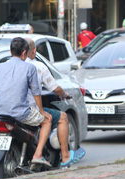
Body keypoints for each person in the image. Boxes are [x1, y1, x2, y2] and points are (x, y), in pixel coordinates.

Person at [0, 37, 53, 166]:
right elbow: (36, 92)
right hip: (20, 115)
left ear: (10, 51)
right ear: (24, 53)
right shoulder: (29, 68)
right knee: (47, 121)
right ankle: (38, 154)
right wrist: (41, 111)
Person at [25, 38, 85, 168]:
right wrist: (64, 95)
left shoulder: (7, 65)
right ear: (34, 51)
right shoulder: (38, 66)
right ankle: (65, 156)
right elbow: (54, 88)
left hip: (5, 110)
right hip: (28, 110)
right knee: (59, 117)